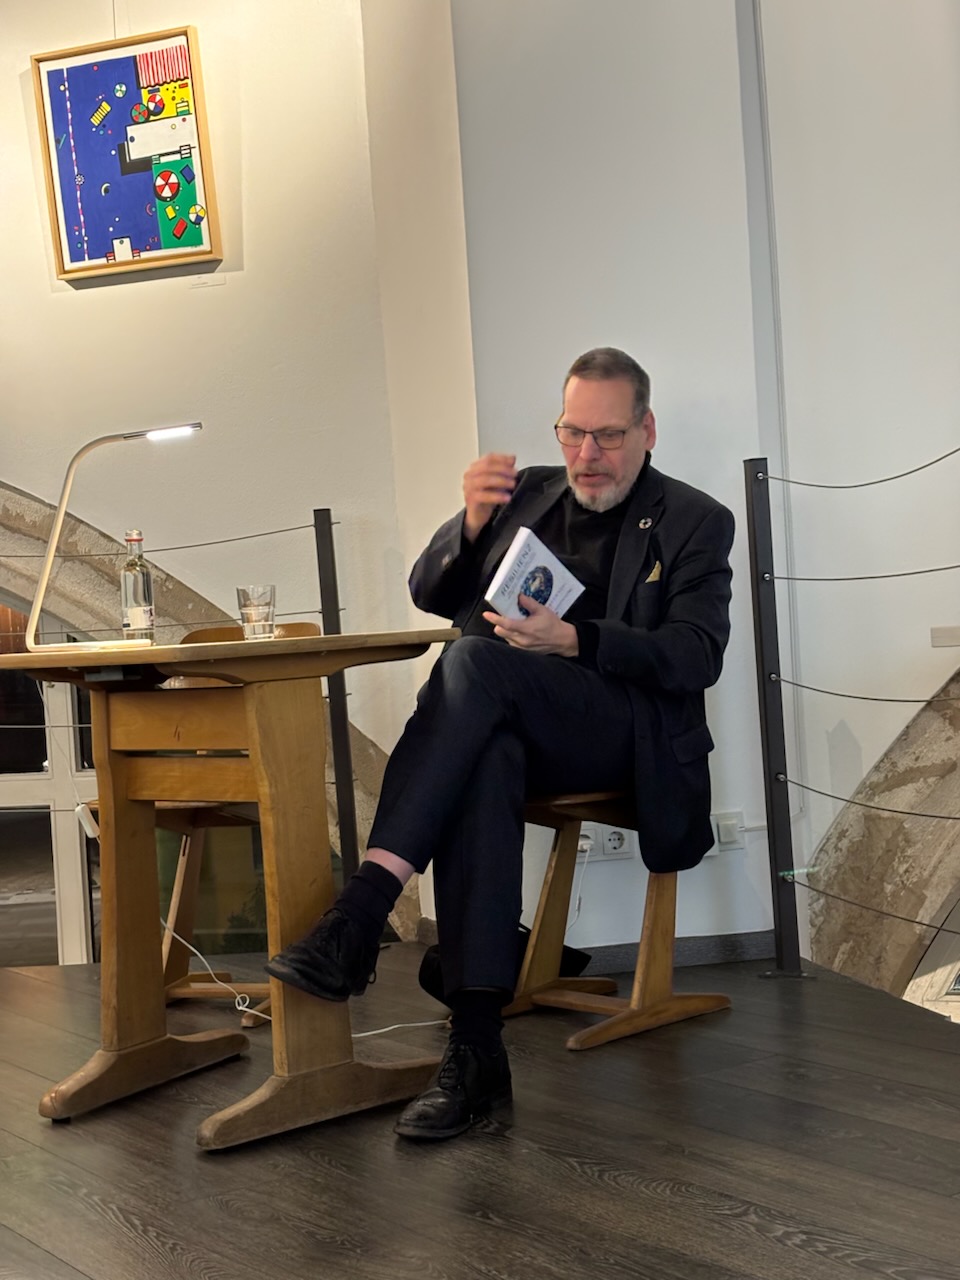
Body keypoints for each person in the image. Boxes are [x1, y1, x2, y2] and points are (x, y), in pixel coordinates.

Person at [266, 347, 734, 1141]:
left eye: (608, 436)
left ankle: (365, 908)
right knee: (484, 754)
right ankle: (477, 1051)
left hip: (623, 731)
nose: (587, 454)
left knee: (471, 661)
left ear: (647, 430)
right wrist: (471, 523)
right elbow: (430, 591)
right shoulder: (531, 496)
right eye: (572, 433)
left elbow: (697, 654)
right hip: (512, 721)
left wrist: (575, 640)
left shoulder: (695, 519)